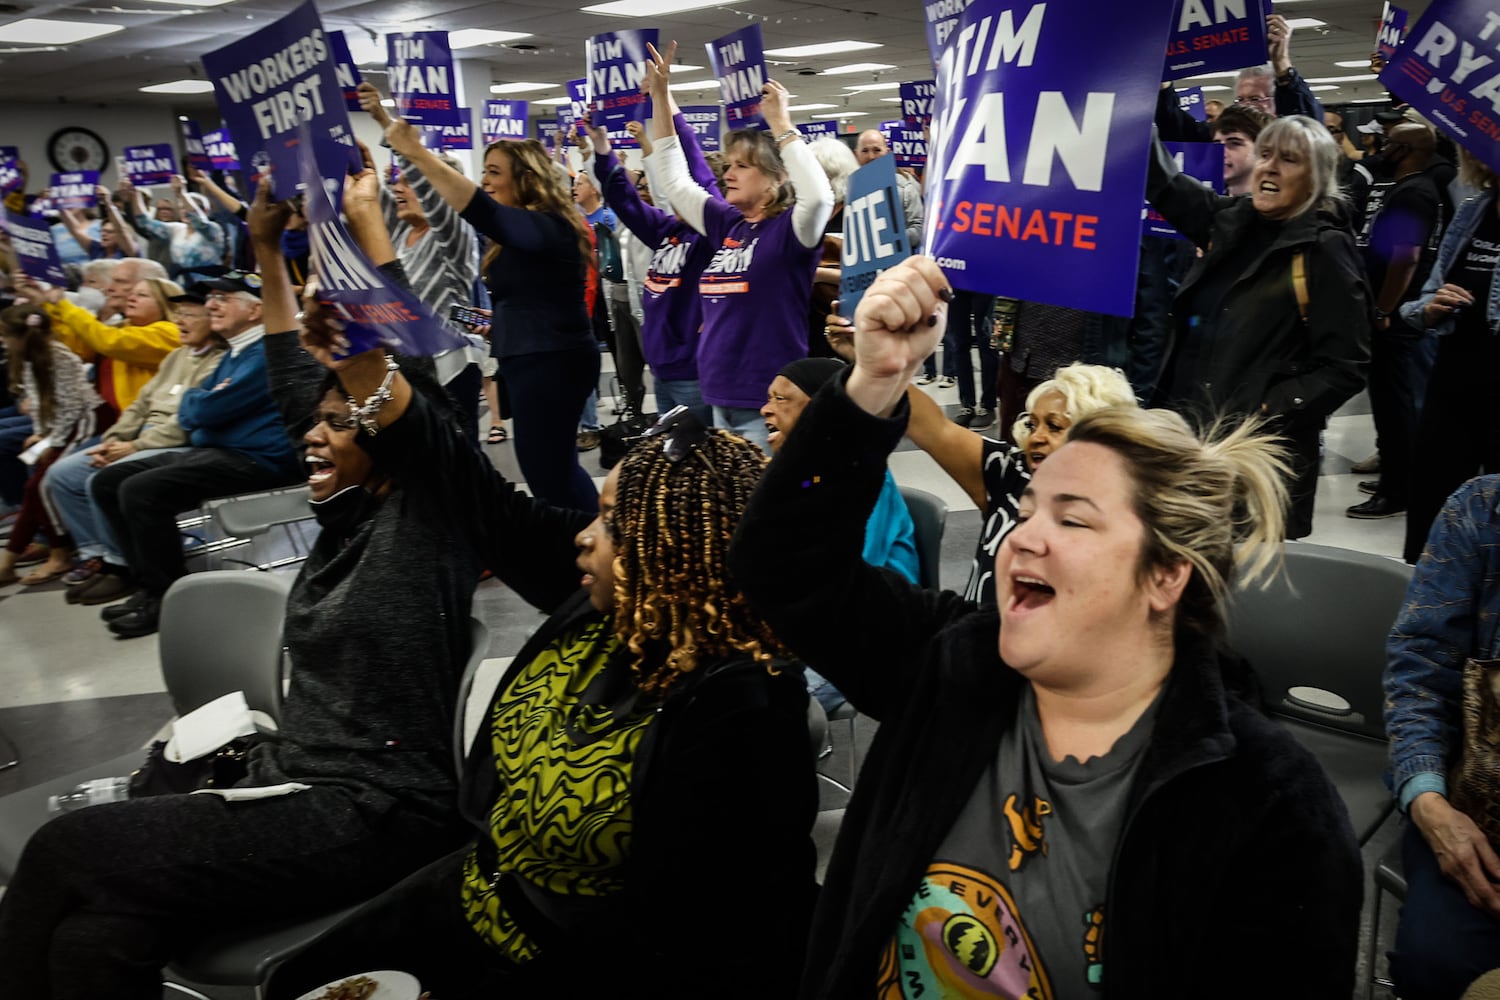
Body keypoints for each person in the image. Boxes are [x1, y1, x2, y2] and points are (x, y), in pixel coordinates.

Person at [730, 256, 1364, 998]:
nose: (1023, 539)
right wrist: (873, 383)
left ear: (1166, 575)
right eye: (1027, 511)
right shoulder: (951, 666)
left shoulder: (1266, 805)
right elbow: (781, 561)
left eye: (1072, 518)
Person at [0, 179, 503, 1000]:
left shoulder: (431, 515)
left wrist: (371, 224)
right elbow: (286, 374)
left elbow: (405, 381)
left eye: (340, 424)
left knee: (67, 852)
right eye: (318, 419)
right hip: (294, 778)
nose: (312, 431)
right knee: (101, 934)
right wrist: (267, 251)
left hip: (376, 809)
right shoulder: (343, 516)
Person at [370, 87, 600, 512]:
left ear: (526, 179)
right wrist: (499, 323)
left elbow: (480, 211)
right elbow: (535, 295)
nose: (486, 181)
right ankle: (582, 545)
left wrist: (415, 153)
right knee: (547, 468)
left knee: (550, 471)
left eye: (494, 172)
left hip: (552, 361)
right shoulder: (522, 233)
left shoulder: (552, 226)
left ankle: (592, 548)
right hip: (529, 354)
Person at [1146, 115, 1371, 539]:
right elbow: (1165, 184)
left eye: (1288, 160)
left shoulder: (1323, 251)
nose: (1269, 167)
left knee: (1241, 590)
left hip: (1255, 460)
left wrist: (1264, 409)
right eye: (1266, 154)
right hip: (1190, 442)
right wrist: (1138, 111)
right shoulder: (1231, 221)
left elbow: (1346, 366)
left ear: (1316, 179)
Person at [87, 270, 302, 637]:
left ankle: (169, 599)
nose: (210, 305)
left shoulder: (266, 351)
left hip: (260, 460)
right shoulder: (237, 351)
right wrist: (201, 410)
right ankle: (149, 586)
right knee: (108, 481)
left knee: (141, 491)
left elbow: (201, 412)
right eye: (210, 297)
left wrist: (200, 409)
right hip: (223, 449)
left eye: (224, 297)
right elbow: (200, 415)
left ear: (255, 310)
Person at [643, 40, 834, 449]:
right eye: (728, 165)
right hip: (718, 395)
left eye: (742, 166)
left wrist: (781, 124)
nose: (729, 173)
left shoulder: (790, 232)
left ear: (776, 178)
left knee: (764, 510)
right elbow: (675, 181)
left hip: (768, 402)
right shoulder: (728, 224)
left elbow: (819, 197)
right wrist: (661, 95)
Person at [1385, 475, 1500, 999]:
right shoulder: (1479, 511)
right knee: (1435, 964)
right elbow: (1420, 673)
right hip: (1476, 812)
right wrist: (1428, 803)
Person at [45, 286, 225, 604]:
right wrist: (115, 438)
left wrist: (135, 446)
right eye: (178, 314)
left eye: (189, 315)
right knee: (61, 475)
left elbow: (188, 422)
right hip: (141, 434)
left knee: (103, 479)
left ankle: (125, 568)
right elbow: (139, 406)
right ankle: (100, 554)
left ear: (211, 319)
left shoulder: (219, 360)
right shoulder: (176, 356)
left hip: (173, 441)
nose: (180, 321)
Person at [904, 360, 1137, 604]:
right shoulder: (1009, 473)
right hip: (975, 636)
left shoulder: (1121, 517)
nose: (1036, 437)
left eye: (1054, 426)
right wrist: (878, 364)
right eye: (1032, 424)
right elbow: (933, 427)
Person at [1398, 152, 1499, 564]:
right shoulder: (1475, 210)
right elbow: (1428, 294)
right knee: (1431, 504)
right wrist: (1431, 307)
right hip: (1454, 379)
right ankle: (1422, 607)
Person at [588, 115, 718, 426]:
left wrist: (669, 111)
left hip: (694, 373)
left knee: (700, 465)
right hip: (661, 369)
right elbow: (624, 200)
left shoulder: (714, 238)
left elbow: (702, 178)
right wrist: (601, 146)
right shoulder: (668, 230)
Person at [1348, 122, 1445, 521]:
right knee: (1389, 403)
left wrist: (1383, 310)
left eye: (1388, 143)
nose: (1380, 149)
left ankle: (1397, 490)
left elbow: (1405, 258)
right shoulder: (1410, 190)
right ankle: (1395, 473)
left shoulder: (1413, 193)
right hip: (1396, 314)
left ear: (1403, 150)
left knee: (1395, 405)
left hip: (1398, 320)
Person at [0, 304, 108, 586]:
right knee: (30, 472)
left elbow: (73, 409)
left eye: (5, 334)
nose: (2, 341)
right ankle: (30, 550)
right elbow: (38, 404)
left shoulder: (60, 358)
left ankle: (55, 553)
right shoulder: (24, 358)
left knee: (41, 483)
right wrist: (40, 434)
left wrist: (51, 441)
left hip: (87, 423)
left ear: (21, 336)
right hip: (58, 427)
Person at [40, 257, 175, 417]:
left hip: (140, 425)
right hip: (108, 419)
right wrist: (45, 303)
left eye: (120, 281)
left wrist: (64, 305)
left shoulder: (170, 332)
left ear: (162, 300)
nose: (110, 288)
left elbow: (110, 342)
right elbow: (79, 349)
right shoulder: (123, 328)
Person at [852, 129, 923, 250]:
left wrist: (887, 241)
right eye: (865, 151)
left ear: (887, 152)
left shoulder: (905, 188)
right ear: (856, 154)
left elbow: (919, 229)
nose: (871, 156)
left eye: (877, 150)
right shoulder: (848, 189)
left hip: (897, 263)